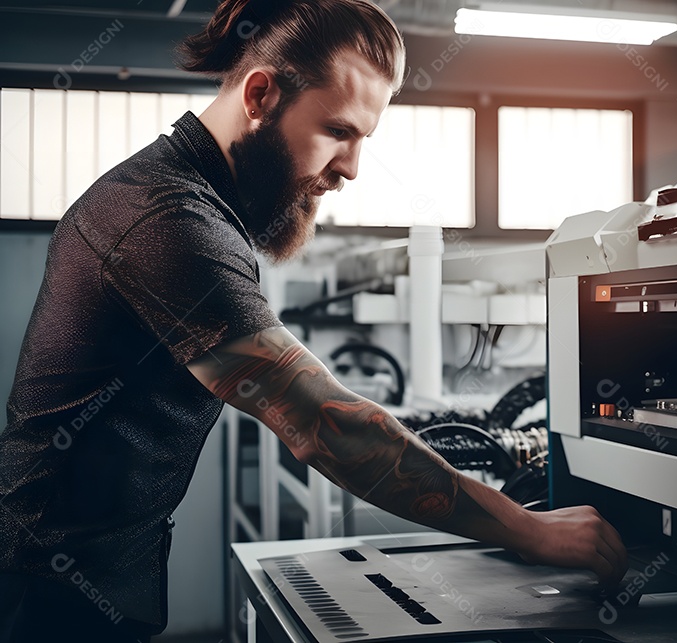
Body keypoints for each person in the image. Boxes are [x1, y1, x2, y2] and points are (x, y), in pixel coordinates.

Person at [0, 1, 627, 640]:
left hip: (84, 577)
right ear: (261, 95)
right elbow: (321, 421)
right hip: (51, 593)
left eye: (363, 140)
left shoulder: (189, 200)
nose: (351, 167)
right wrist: (529, 527)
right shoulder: (169, 219)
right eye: (338, 131)